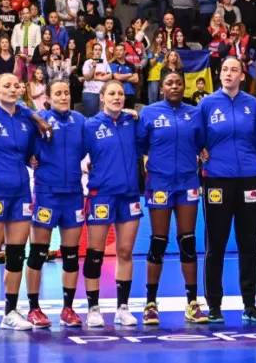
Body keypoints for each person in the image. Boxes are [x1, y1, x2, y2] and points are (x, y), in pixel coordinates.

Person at [136, 71, 209, 324]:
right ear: (162, 88)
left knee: (187, 241)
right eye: (169, 83)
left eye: (178, 82)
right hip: (159, 182)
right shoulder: (149, 113)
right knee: (158, 240)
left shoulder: (195, 113)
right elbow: (141, 145)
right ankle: (150, 304)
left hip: (188, 182)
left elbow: (201, 143)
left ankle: (192, 303)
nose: (175, 86)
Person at [199, 57, 256, 322]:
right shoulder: (206, 104)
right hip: (217, 179)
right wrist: (201, 154)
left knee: (248, 244)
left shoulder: (252, 104)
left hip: (250, 179)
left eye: (234, 70)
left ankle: (249, 303)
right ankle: (214, 305)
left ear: (242, 76)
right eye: (225, 69)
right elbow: (196, 138)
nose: (228, 73)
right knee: (216, 244)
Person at [0, 73, 38, 331]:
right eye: (7, 86)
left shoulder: (26, 119)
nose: (13, 89)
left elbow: (31, 154)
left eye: (16, 85)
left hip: (21, 191)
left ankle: (11, 311)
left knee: (16, 254)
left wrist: (33, 160)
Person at [27, 80, 87, 327]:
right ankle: (33, 309)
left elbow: (87, 148)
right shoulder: (37, 119)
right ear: (48, 98)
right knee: (38, 254)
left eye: (67, 92)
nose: (64, 97)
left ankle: (68, 308)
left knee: (71, 255)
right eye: (58, 93)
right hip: (46, 194)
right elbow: (23, 147)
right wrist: (29, 158)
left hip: (73, 193)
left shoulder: (80, 121)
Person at [82, 81, 142, 327]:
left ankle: (122, 308)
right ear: (102, 97)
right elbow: (75, 154)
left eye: (120, 93)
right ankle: (93, 308)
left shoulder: (132, 123)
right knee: (95, 254)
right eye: (112, 94)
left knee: (125, 252)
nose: (117, 97)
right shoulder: (90, 126)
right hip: (101, 196)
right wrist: (83, 167)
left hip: (128, 196)